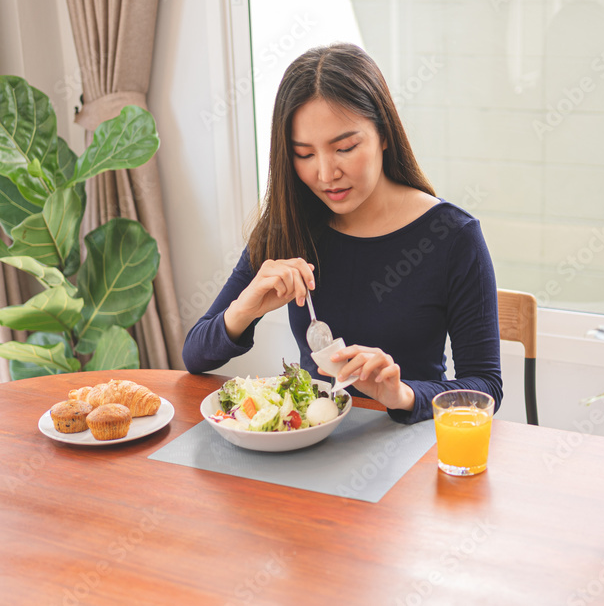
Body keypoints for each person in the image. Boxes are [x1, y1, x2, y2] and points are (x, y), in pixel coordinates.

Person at [183, 43, 502, 424]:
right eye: (304, 154)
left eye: (345, 147)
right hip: (308, 443)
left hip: (410, 449)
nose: (325, 173)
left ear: (384, 133)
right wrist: (243, 309)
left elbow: (484, 388)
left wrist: (402, 394)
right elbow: (195, 356)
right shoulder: (289, 223)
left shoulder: (452, 236)